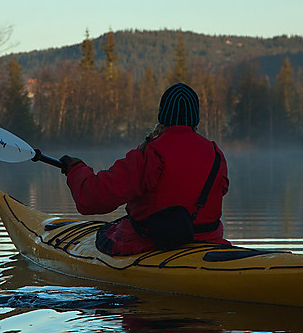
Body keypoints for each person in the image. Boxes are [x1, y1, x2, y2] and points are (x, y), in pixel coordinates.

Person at [60, 82, 230, 256]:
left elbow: (93, 198)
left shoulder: (149, 154)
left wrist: (75, 169)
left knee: (108, 233)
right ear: (196, 119)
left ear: (162, 116)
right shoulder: (216, 154)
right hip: (209, 243)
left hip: (149, 244)